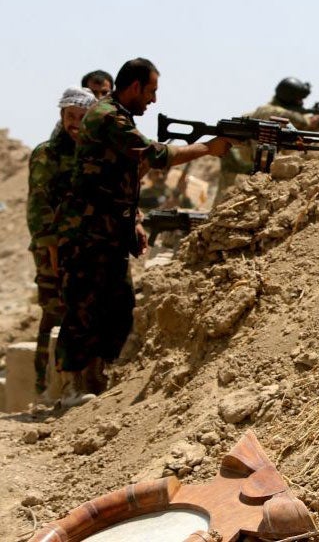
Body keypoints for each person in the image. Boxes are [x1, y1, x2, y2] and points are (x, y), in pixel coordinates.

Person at [53, 58, 233, 406]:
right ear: (134, 86)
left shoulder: (116, 116)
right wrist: (208, 148)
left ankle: (96, 381)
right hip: (87, 231)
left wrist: (133, 218)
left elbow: (127, 172)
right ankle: (71, 388)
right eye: (150, 90)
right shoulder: (109, 116)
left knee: (118, 306)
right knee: (83, 306)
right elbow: (154, 152)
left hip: (108, 230)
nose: (152, 100)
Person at [27, 87, 97, 398]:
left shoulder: (95, 151)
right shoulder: (47, 154)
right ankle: (53, 387)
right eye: (71, 117)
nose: (76, 123)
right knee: (56, 311)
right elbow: (38, 206)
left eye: (83, 118)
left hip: (87, 246)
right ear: (62, 116)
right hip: (53, 248)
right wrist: (53, 249)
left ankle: (82, 383)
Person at [215, 77, 319, 202]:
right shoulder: (270, 111)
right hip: (236, 156)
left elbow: (301, 131)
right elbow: (304, 122)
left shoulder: (278, 112)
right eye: (299, 99)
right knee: (226, 197)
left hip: (252, 156)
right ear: (289, 98)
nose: (302, 103)